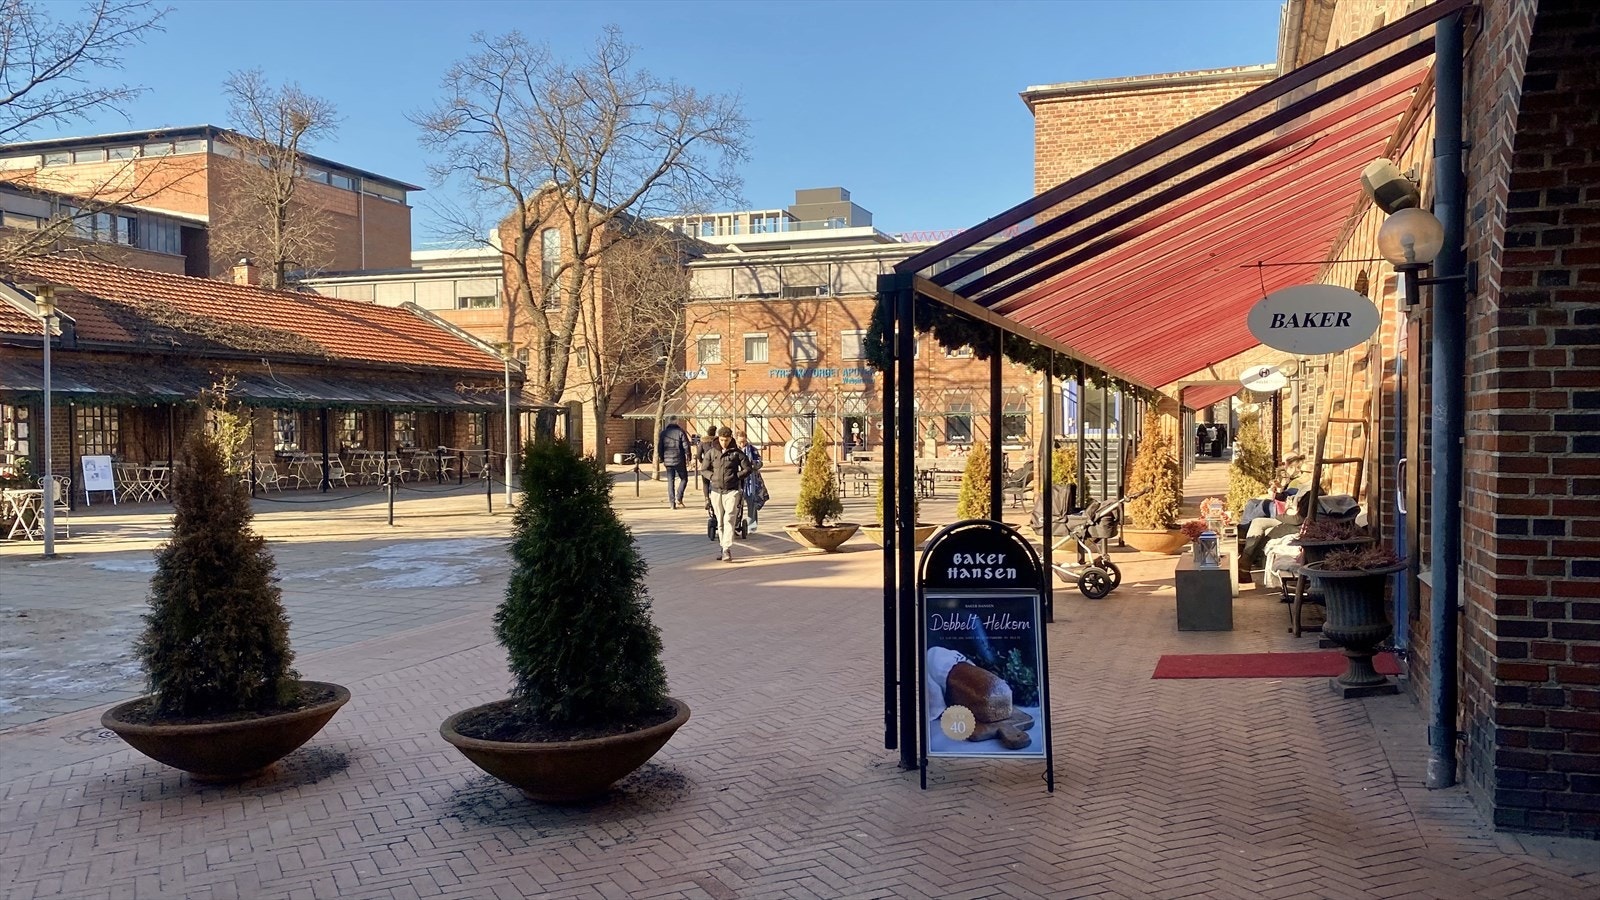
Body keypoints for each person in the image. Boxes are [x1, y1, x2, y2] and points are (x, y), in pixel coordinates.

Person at [702, 426, 753, 562]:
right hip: (716, 490)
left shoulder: (736, 453)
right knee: (720, 521)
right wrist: (712, 476)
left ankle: (726, 549)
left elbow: (748, 468)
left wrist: (737, 476)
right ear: (718, 438)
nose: (724, 442)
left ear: (731, 439)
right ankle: (723, 546)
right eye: (722, 440)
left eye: (727, 440)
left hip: (732, 490)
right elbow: (704, 469)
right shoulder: (712, 453)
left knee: (729, 518)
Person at [656, 417, 691, 509]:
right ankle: (679, 497)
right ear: (677, 422)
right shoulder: (680, 432)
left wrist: (662, 458)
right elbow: (686, 445)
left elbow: (660, 447)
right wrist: (688, 457)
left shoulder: (663, 433)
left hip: (668, 461)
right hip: (679, 459)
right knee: (684, 479)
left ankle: (672, 503)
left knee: (670, 481)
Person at [738, 432, 769, 532]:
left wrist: (753, 464)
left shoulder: (752, 450)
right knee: (737, 504)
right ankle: (737, 524)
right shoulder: (735, 450)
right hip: (738, 480)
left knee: (752, 503)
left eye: (743, 441)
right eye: (740, 442)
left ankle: (752, 526)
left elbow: (760, 463)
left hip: (751, 480)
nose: (742, 444)